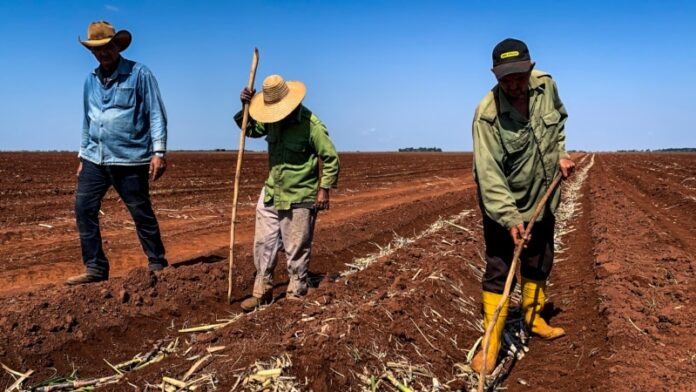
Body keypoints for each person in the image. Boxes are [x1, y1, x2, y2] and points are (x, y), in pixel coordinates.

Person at [470, 38, 576, 374]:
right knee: (500, 268)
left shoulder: (546, 86)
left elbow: (558, 121)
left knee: (540, 259)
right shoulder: (487, 116)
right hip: (506, 205)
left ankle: (532, 318)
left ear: (530, 69)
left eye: (519, 77)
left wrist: (560, 154)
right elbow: (489, 175)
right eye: (506, 80)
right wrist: (510, 218)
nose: (514, 86)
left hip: (543, 196)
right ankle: (492, 342)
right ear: (495, 76)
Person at [66, 21, 169, 285]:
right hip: (94, 158)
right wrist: (82, 155)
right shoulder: (90, 80)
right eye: (97, 49)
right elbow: (88, 120)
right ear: (92, 52)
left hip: (130, 158)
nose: (103, 53)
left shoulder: (139, 74)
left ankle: (157, 263)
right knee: (83, 208)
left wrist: (158, 152)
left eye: (107, 47)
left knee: (140, 212)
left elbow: (156, 113)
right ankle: (95, 267)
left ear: (116, 46)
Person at [236, 75, 340, 311]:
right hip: (272, 190)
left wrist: (324, 189)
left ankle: (295, 291)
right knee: (264, 243)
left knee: (296, 247)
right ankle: (262, 292)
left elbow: (331, 158)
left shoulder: (311, 125)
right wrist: (244, 106)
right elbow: (250, 128)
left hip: (300, 193)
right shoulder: (271, 120)